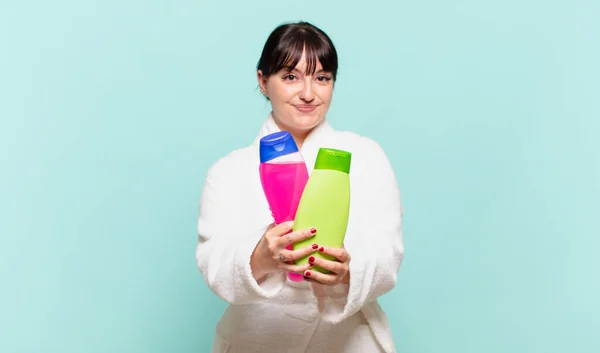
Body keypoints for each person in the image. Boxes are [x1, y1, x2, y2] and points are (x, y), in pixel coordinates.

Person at [196, 21, 404, 353]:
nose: (308, 93)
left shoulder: (365, 156)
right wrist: (261, 256)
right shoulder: (228, 171)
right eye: (290, 76)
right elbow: (214, 263)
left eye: (322, 78)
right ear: (263, 81)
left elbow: (388, 254)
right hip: (258, 339)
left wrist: (348, 270)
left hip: (347, 340)